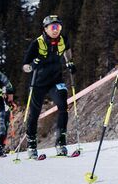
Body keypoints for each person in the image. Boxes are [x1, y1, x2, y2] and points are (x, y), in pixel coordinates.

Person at [21, 15, 74, 158]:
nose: (56, 30)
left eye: (59, 27)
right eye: (53, 27)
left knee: (63, 105)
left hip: (55, 81)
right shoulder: (36, 43)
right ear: (45, 29)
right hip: (38, 83)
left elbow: (67, 51)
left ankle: (61, 142)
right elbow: (25, 66)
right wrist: (32, 66)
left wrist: (69, 62)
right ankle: (31, 145)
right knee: (34, 113)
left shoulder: (63, 40)